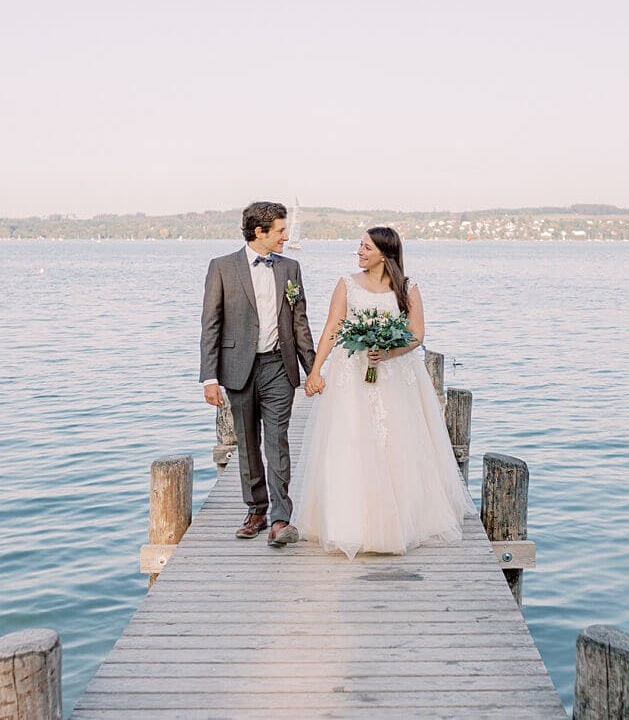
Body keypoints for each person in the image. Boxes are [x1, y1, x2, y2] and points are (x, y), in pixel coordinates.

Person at [283, 226, 475, 558]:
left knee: (396, 443)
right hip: (351, 375)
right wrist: (315, 370)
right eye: (360, 245)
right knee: (349, 440)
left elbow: (416, 334)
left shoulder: (407, 287)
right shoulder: (346, 283)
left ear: (385, 255)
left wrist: (388, 352)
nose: (360, 252)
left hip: (395, 374)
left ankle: (400, 521)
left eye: (367, 248)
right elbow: (332, 328)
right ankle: (348, 524)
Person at [200, 201, 316, 546]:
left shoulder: (291, 268)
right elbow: (211, 324)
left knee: (278, 441)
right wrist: (209, 378)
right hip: (238, 369)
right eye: (280, 231)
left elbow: (300, 323)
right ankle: (256, 511)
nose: (286, 237)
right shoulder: (222, 267)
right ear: (259, 232)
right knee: (248, 443)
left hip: (280, 367)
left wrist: (312, 370)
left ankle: (281, 519)